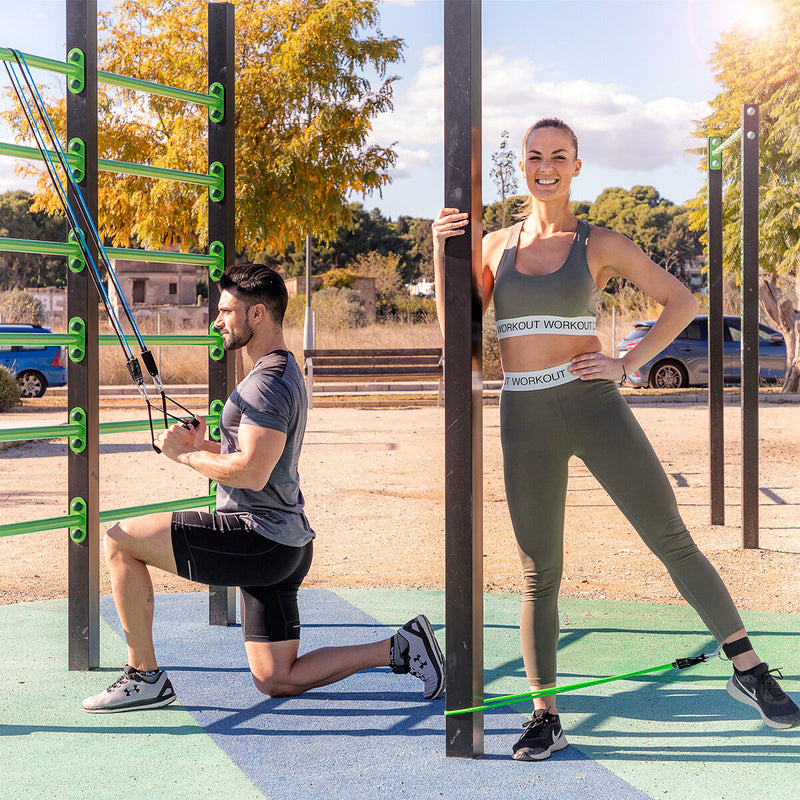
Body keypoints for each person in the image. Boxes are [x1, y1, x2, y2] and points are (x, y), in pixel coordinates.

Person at [432, 118, 799, 761]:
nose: (546, 167)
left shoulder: (597, 242)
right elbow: (456, 337)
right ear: (524, 165)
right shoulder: (493, 247)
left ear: (577, 166)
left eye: (559, 156)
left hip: (594, 404)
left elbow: (681, 302)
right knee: (539, 570)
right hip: (526, 414)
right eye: (535, 156)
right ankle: (546, 715)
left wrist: (626, 365)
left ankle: (748, 670)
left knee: (671, 537)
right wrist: (443, 256)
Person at [82, 263, 444, 713]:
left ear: (257, 314)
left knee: (120, 541)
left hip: (257, 536)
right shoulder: (280, 369)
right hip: (281, 542)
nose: (217, 321)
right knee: (276, 677)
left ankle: (144, 677)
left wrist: (185, 456)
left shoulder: (266, 384)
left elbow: (252, 472)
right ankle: (401, 647)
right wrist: (202, 445)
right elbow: (255, 457)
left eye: (226, 311)